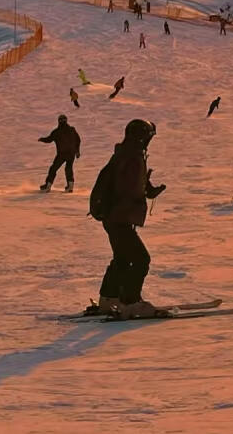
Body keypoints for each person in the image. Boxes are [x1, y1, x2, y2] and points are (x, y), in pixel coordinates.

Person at [88, 117, 166, 317]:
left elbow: (128, 184)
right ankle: (131, 302)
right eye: (148, 137)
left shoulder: (127, 154)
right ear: (141, 137)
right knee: (141, 259)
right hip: (119, 217)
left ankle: (109, 299)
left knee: (122, 258)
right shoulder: (131, 157)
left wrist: (148, 190)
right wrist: (143, 192)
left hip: (115, 217)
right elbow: (127, 188)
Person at [39, 114, 82, 192]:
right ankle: (70, 186)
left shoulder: (57, 132)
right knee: (68, 168)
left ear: (59, 121)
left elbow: (49, 139)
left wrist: (42, 139)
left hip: (62, 154)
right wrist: (77, 151)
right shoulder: (72, 130)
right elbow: (78, 140)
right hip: (71, 154)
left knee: (53, 168)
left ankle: (48, 185)